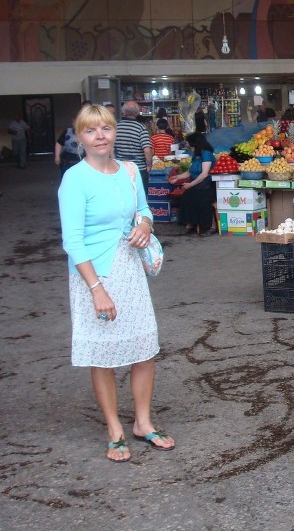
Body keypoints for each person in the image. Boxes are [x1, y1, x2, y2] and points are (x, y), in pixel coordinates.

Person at [58, 104, 175, 463]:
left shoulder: (129, 171)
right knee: (104, 354)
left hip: (129, 270)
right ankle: (114, 429)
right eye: (91, 131)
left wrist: (144, 225)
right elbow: (73, 241)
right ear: (80, 138)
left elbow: (144, 209)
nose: (100, 136)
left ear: (115, 132)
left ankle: (142, 422)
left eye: (105, 129)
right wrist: (96, 289)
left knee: (145, 349)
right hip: (93, 275)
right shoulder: (75, 180)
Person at [176, 132, 216, 236]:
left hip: (208, 185)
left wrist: (190, 184)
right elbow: (190, 171)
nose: (189, 147)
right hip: (197, 185)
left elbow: (204, 174)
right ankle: (190, 224)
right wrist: (177, 177)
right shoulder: (195, 155)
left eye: (190, 145)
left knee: (202, 199)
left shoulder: (206, 154)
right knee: (186, 197)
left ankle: (209, 226)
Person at [114, 101, 153, 193]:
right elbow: (147, 150)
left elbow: (111, 148)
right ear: (137, 112)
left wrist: (115, 162)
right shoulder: (141, 128)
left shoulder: (116, 127)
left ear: (123, 112)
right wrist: (149, 164)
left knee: (123, 196)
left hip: (121, 168)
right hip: (138, 169)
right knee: (140, 197)